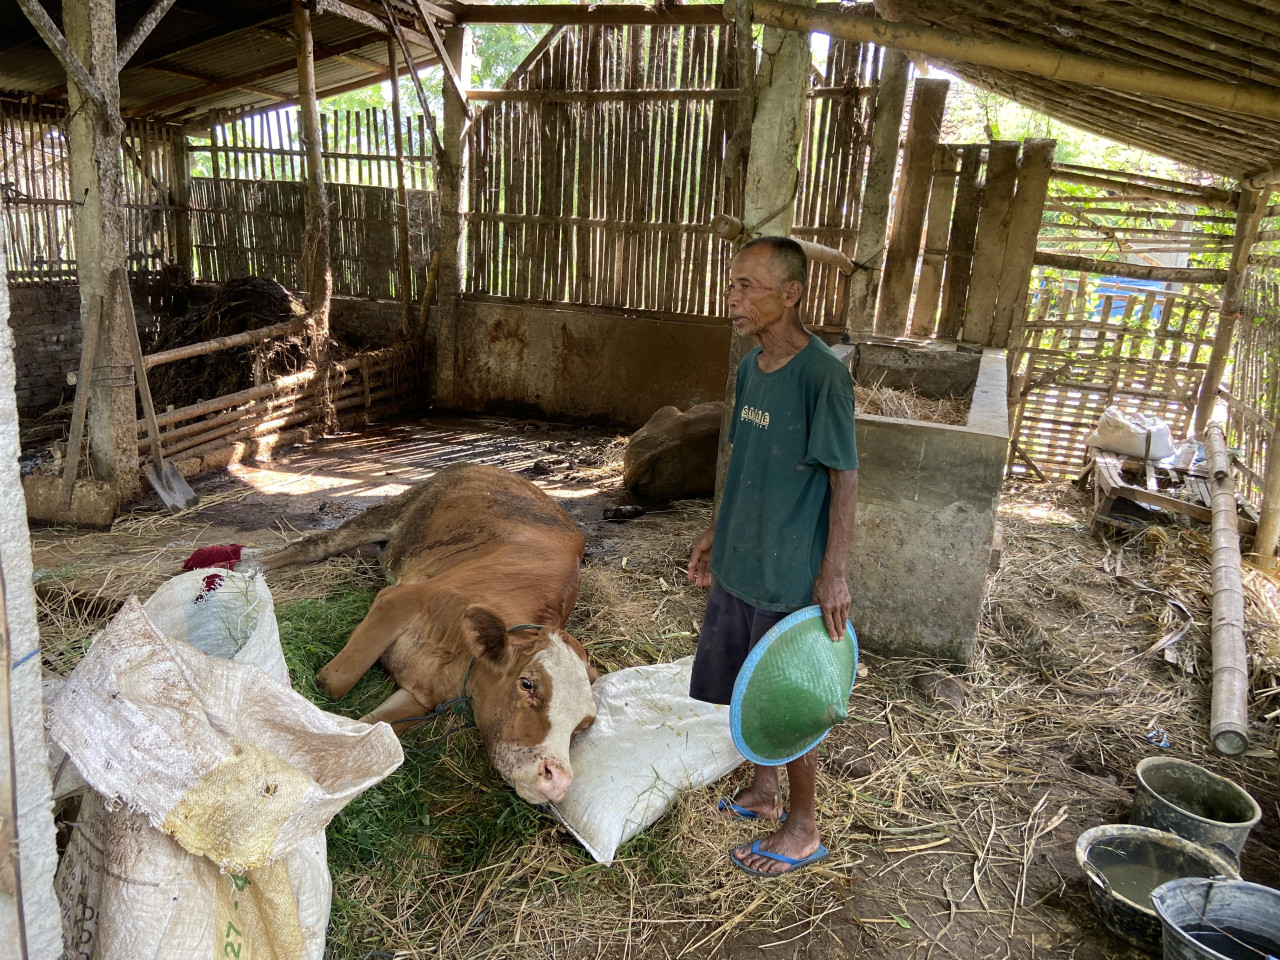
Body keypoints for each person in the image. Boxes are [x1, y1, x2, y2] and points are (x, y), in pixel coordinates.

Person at [687, 235, 858, 877]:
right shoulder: (750, 367)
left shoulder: (823, 377)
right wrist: (715, 529)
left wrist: (833, 572)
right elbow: (743, 461)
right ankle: (763, 792)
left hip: (789, 570)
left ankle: (804, 826)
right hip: (742, 557)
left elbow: (845, 478)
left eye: (747, 287)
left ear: (790, 294)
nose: (733, 298)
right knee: (746, 680)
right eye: (731, 285)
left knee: (791, 694)